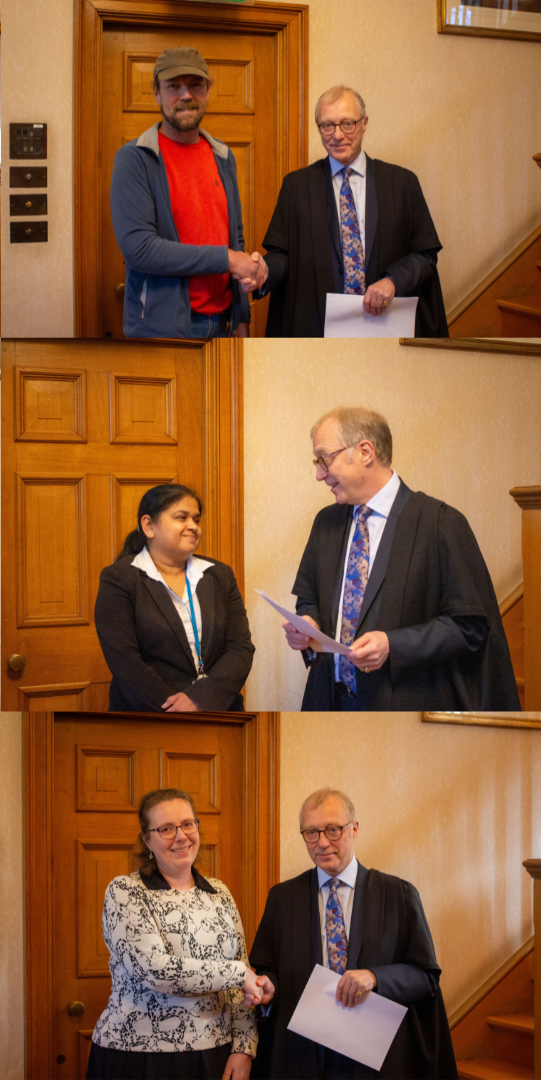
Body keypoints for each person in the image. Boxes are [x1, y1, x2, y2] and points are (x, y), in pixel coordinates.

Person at [285, 407, 519, 711]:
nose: (319, 474)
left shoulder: (440, 523)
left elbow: (470, 627)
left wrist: (393, 646)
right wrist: (307, 623)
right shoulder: (325, 523)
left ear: (365, 452)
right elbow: (308, 599)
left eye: (324, 459)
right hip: (328, 702)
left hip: (404, 708)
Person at [248, 789, 457, 1079]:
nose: (322, 843)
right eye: (311, 832)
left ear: (354, 828)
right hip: (304, 1056)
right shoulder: (283, 898)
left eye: (333, 830)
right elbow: (269, 969)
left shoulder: (398, 895)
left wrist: (374, 977)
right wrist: (267, 986)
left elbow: (426, 977)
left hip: (376, 1058)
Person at [88, 788, 261, 1080]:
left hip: (214, 1054)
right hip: (139, 1057)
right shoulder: (125, 891)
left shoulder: (219, 893)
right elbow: (156, 970)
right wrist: (239, 974)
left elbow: (241, 978)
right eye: (166, 828)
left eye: (188, 824)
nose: (181, 836)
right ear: (147, 840)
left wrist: (244, 1047)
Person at [256, 85, 448, 337]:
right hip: (317, 331)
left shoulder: (402, 183)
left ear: (364, 123)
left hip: (387, 328)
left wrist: (393, 281)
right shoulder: (297, 186)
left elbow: (425, 255)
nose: (337, 135)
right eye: (327, 125)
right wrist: (263, 271)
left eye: (347, 124)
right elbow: (283, 255)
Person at [109, 46, 266, 340]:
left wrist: (242, 317)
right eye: (173, 87)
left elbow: (236, 239)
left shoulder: (223, 156)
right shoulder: (135, 158)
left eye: (195, 85)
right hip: (161, 331)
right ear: (156, 92)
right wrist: (229, 259)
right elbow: (140, 249)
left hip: (224, 324)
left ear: (207, 91)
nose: (185, 96)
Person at [95, 484, 254, 711]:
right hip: (149, 715)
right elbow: (124, 661)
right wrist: (175, 707)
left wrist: (200, 700)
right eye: (182, 517)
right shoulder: (119, 579)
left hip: (216, 710)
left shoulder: (220, 575)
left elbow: (241, 647)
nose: (193, 527)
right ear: (149, 525)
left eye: (196, 520)